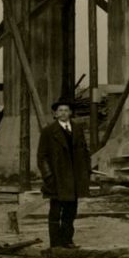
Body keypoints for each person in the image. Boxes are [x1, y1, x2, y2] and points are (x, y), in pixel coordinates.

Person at [36, 98, 92, 249]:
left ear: (71, 113)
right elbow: (42, 157)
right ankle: (55, 243)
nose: (63, 113)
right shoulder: (48, 132)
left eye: (66, 110)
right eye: (60, 110)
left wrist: (86, 170)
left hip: (74, 178)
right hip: (57, 179)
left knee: (70, 212)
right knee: (55, 212)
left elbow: (85, 151)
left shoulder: (77, 129)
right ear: (55, 114)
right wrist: (48, 177)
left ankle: (67, 240)